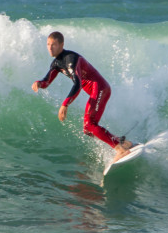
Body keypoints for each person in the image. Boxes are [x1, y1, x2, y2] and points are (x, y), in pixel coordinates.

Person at [32, 31, 134, 162]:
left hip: (101, 88)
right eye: (48, 44)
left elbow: (78, 84)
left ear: (61, 45)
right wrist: (39, 83)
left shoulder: (70, 60)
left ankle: (120, 150)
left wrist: (65, 104)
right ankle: (123, 143)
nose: (50, 48)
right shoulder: (56, 63)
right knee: (87, 128)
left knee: (90, 124)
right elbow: (46, 81)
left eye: (54, 44)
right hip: (96, 92)